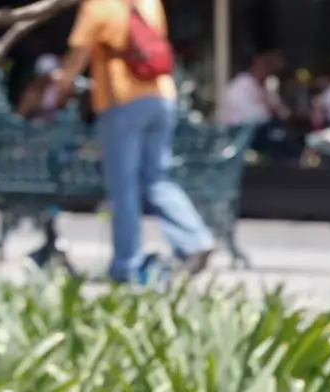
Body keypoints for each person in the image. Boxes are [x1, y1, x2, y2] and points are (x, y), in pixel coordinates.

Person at [56, 0, 215, 283]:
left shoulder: (98, 5)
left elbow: (79, 52)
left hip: (124, 99)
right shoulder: (149, 2)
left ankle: (126, 266)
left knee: (124, 187)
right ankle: (195, 239)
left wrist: (59, 84)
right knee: (156, 177)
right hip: (163, 97)